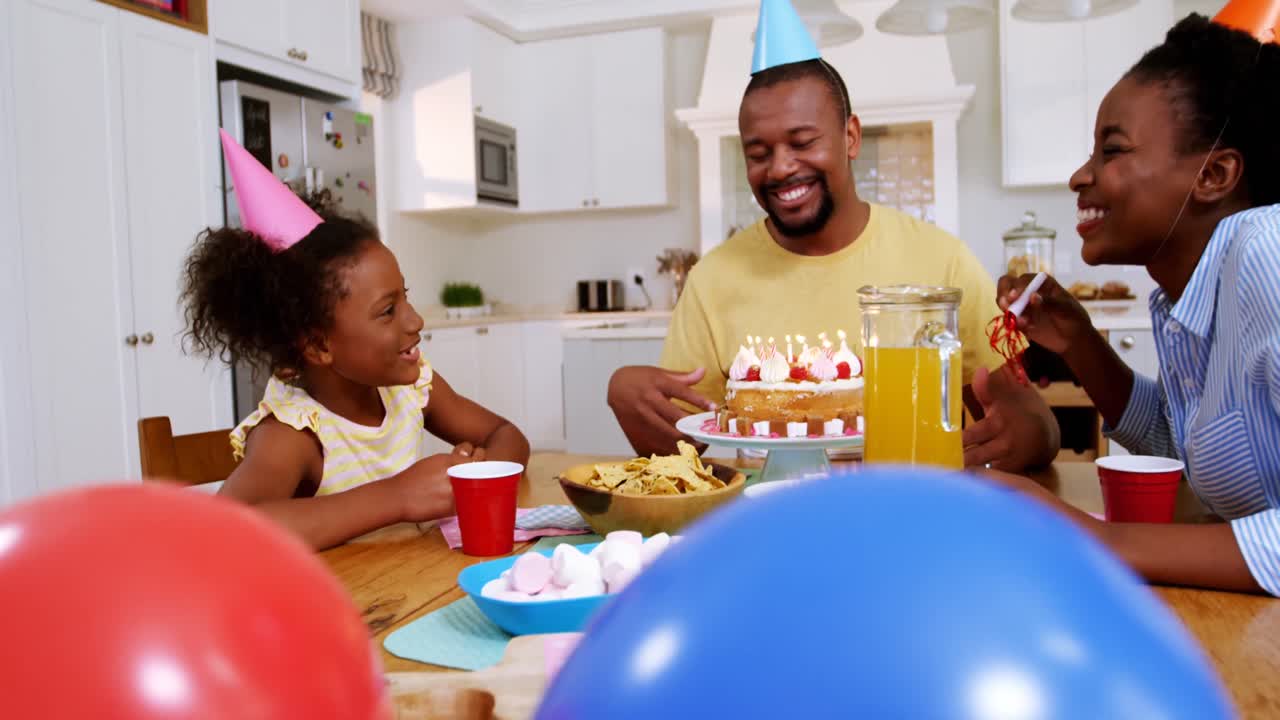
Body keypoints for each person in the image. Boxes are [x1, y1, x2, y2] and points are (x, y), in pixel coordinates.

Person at [609, 3, 1059, 471]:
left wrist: (1031, 432)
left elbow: (1030, 421)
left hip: (911, 512)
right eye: (758, 152)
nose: (781, 167)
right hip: (774, 518)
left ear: (850, 137)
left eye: (803, 143)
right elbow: (679, 454)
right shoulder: (713, 279)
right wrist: (628, 397)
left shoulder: (943, 264)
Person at [993, 13, 1280, 595]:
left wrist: (1082, 534)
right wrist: (1079, 341)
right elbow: (1186, 447)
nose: (1080, 176)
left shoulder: (1266, 255)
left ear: (1215, 173)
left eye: (1111, 150)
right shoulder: (1182, 299)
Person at [180, 132, 529, 551]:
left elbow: (506, 433)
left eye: (406, 297)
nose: (415, 321)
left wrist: (480, 475)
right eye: (388, 310)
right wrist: (398, 497)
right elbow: (227, 532)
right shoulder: (294, 432)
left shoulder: (411, 388)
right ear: (318, 346)